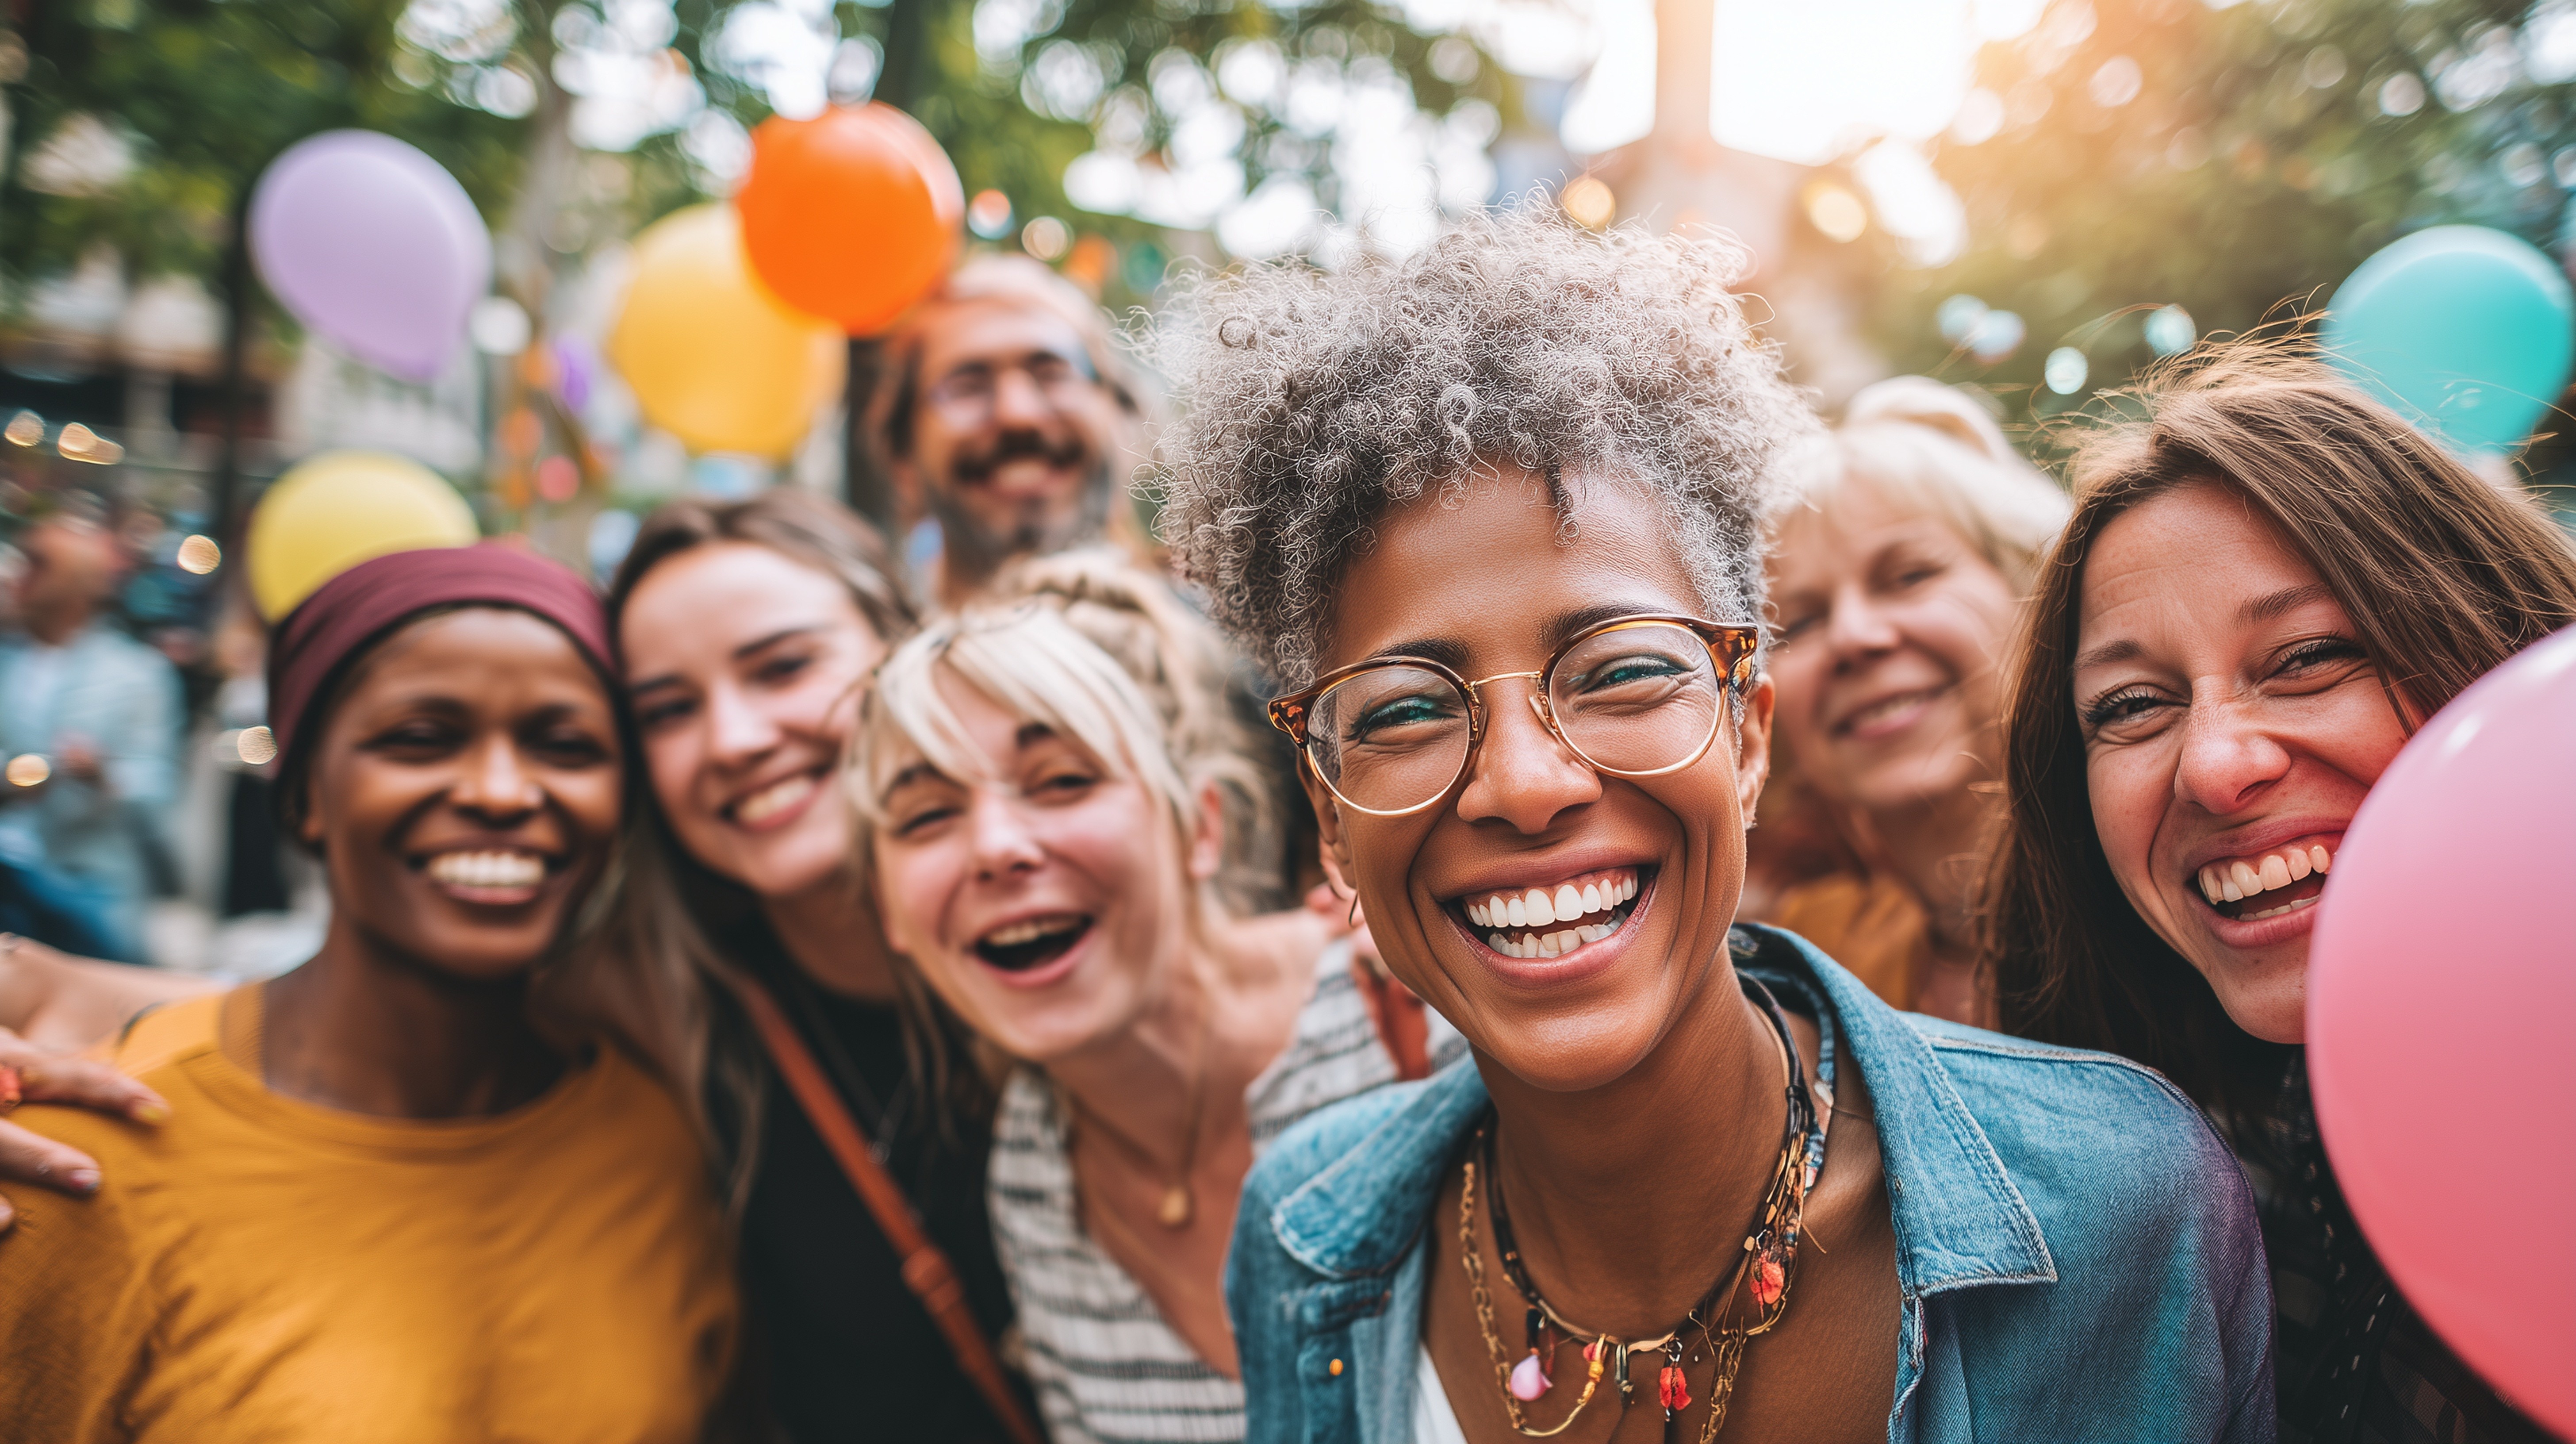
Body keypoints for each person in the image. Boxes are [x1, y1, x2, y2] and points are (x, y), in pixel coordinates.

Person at [1156, 207, 2275, 1443]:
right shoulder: (1304, 1252)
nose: (1525, 784)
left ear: (1747, 735)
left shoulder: (2125, 1210)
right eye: (1408, 709)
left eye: (1622, 670)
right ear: (1327, 815)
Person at [0, 545, 739, 1441]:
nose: (502, 792)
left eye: (566, 745)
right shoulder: (80, 1159)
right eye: (419, 739)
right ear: (305, 793)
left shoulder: (668, 1142)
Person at [1985, 349, 2576, 1444]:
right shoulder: (2195, 1173)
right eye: (2131, 706)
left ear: (2500, 648)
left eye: (2307, 656)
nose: (2214, 764)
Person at [851, 555, 1452, 1444]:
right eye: (926, 815)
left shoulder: (1416, 1012)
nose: (994, 847)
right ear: (889, 912)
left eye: (1061, 781)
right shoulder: (1030, 1167)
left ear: (1199, 829)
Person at [604, 488, 1031, 1443]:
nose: (734, 739)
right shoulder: (645, 1025)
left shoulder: (1089, 937)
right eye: (668, 711)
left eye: (783, 667)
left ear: (901, 647)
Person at [1756, 377, 2069, 1023]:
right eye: (1801, 624)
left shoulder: (2182, 897)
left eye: (1908, 576)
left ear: (2026, 586)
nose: (1853, 637)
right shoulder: (1802, 981)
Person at [863, 254, 1156, 611]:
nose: (1018, 414)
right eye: (967, 386)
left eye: (1052, 373)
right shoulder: (876, 664)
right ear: (902, 458)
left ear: (1120, 420)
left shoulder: (1232, 650)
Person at [0, 515, 184, 961]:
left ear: (79, 585)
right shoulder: (8, 659)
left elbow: (159, 788)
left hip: (87, 885)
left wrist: (103, 775)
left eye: (38, 565)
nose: (18, 576)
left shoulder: (137, 674)